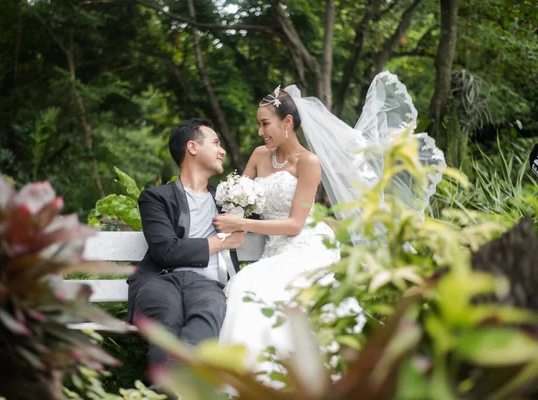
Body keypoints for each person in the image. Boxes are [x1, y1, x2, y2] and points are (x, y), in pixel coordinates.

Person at [214, 72, 446, 385]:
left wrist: (240, 222)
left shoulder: (308, 162)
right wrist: (233, 200)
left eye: (265, 123)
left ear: (287, 123)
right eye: (259, 124)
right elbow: (241, 204)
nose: (260, 131)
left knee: (251, 286)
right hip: (274, 248)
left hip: (304, 246)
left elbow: (296, 224)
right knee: (249, 288)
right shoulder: (258, 155)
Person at [126, 118, 246, 367]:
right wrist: (222, 241)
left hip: (207, 284)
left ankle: (178, 387)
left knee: (207, 316)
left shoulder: (230, 198)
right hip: (160, 279)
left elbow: (280, 212)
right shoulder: (156, 197)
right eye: (215, 143)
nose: (222, 150)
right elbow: (166, 251)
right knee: (166, 321)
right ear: (192, 147)